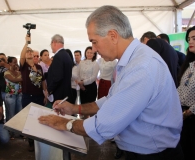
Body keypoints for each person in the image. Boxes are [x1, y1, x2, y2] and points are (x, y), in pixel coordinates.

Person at [38, 5, 183, 160]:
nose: (93, 49)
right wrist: (75, 108)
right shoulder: (132, 60)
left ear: (113, 35)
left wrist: (64, 124)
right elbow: (111, 100)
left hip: (154, 155)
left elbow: (104, 124)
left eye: (94, 42)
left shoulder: (141, 66)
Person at [20, 35, 48, 151]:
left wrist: (45, 93)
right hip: (27, 97)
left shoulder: (39, 67)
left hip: (39, 96)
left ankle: (39, 140)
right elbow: (21, 56)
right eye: (28, 52)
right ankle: (31, 142)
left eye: (31, 51)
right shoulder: (23, 66)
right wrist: (26, 43)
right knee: (29, 119)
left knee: (39, 118)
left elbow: (42, 81)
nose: (29, 53)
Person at [177, 26, 195, 160]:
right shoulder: (190, 65)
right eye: (189, 39)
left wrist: (188, 113)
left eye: (194, 38)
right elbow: (182, 88)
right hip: (184, 116)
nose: (191, 42)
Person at [46, 34, 73, 103]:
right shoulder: (66, 55)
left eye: (50, 44)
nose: (51, 47)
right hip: (66, 93)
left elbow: (58, 77)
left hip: (59, 95)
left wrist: (49, 90)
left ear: (54, 42)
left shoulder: (58, 56)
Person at [4, 57, 22, 138]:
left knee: (20, 113)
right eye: (14, 62)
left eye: (16, 62)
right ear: (10, 63)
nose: (15, 63)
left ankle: (19, 131)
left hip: (19, 95)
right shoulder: (6, 72)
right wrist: (22, 79)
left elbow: (18, 79)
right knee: (11, 114)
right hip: (10, 96)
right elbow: (13, 80)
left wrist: (20, 78)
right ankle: (10, 132)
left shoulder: (18, 72)